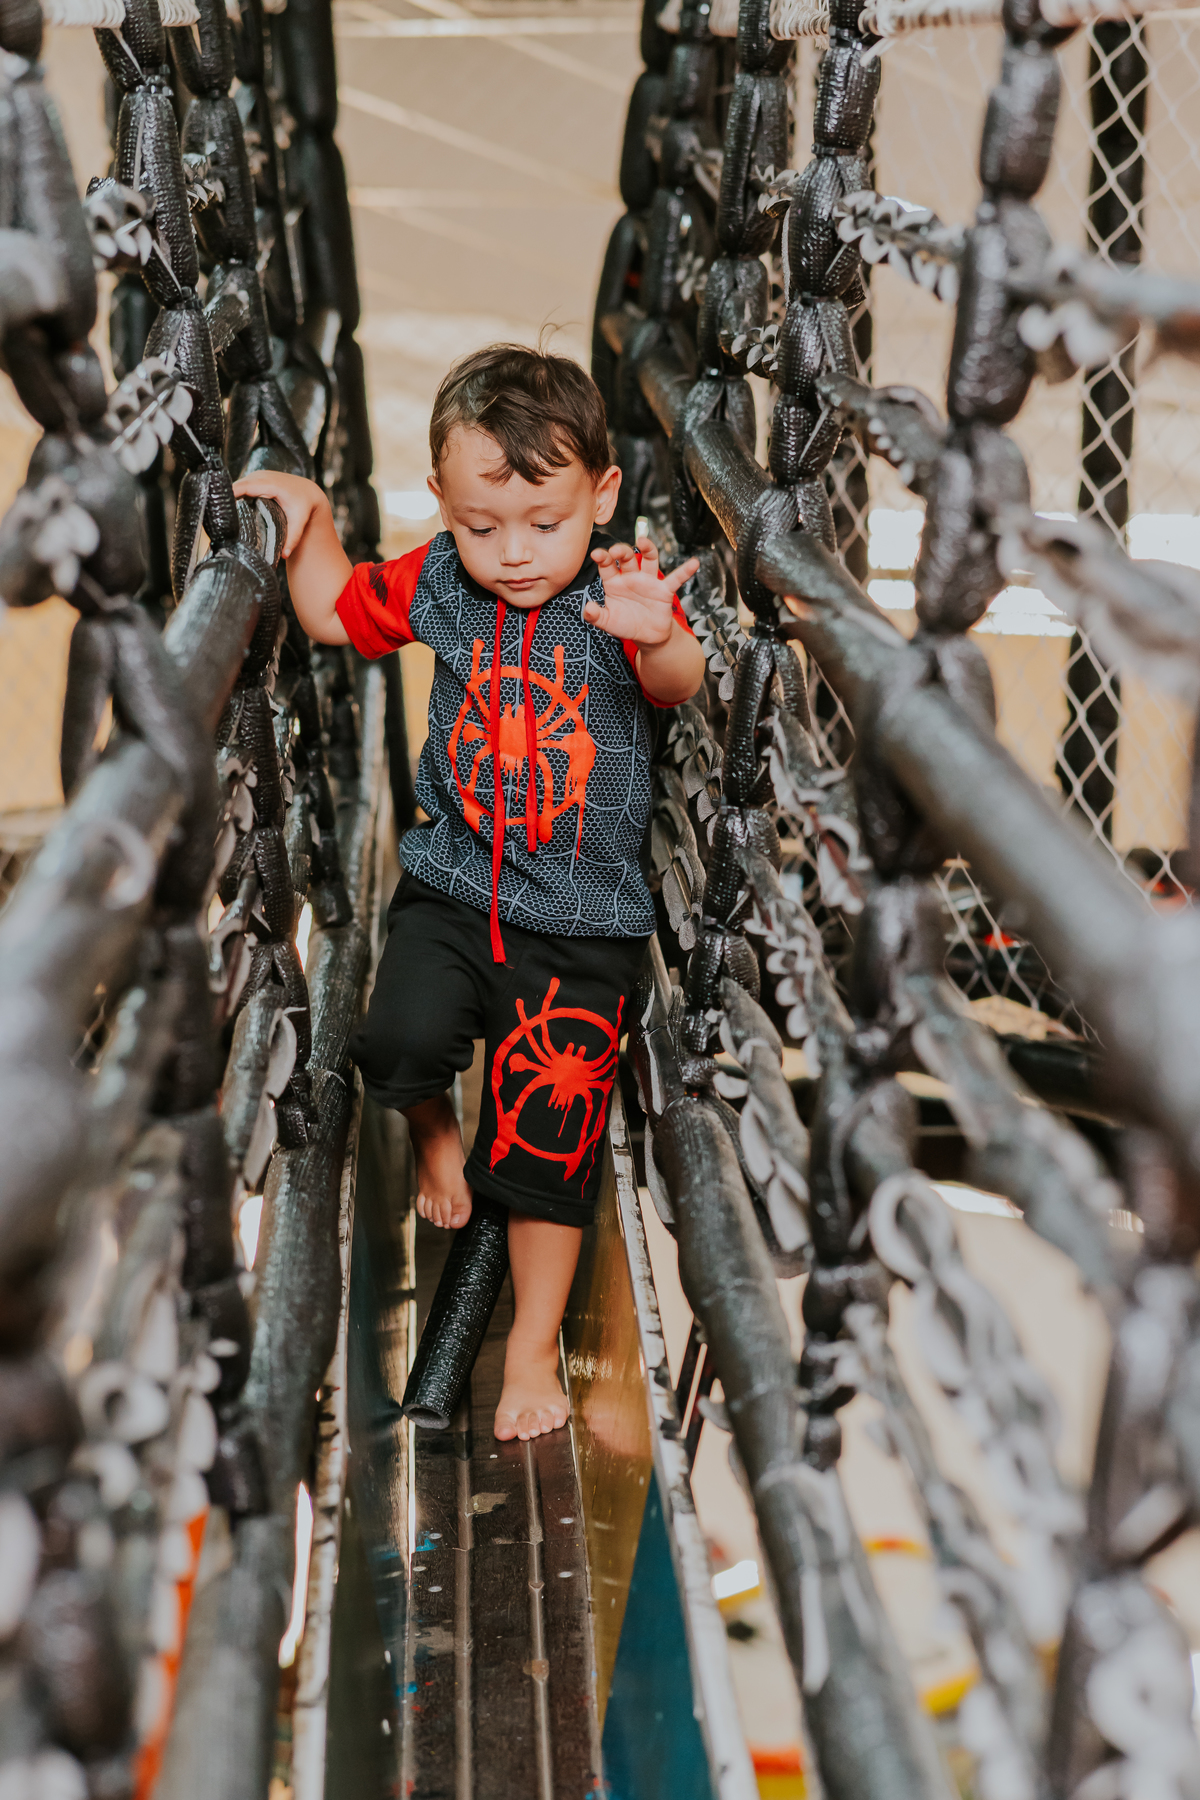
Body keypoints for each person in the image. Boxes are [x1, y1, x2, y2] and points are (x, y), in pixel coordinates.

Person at [234, 343, 705, 1441]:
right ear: (440, 502)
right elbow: (336, 614)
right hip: (454, 888)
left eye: (544, 523)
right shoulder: (441, 580)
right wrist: (308, 515)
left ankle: (531, 1351)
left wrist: (661, 635)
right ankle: (440, 1140)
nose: (515, 554)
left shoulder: (621, 590)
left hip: (583, 920)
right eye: (481, 526)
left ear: (601, 494)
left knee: (549, 1155)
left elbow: (678, 681)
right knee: (389, 1044)